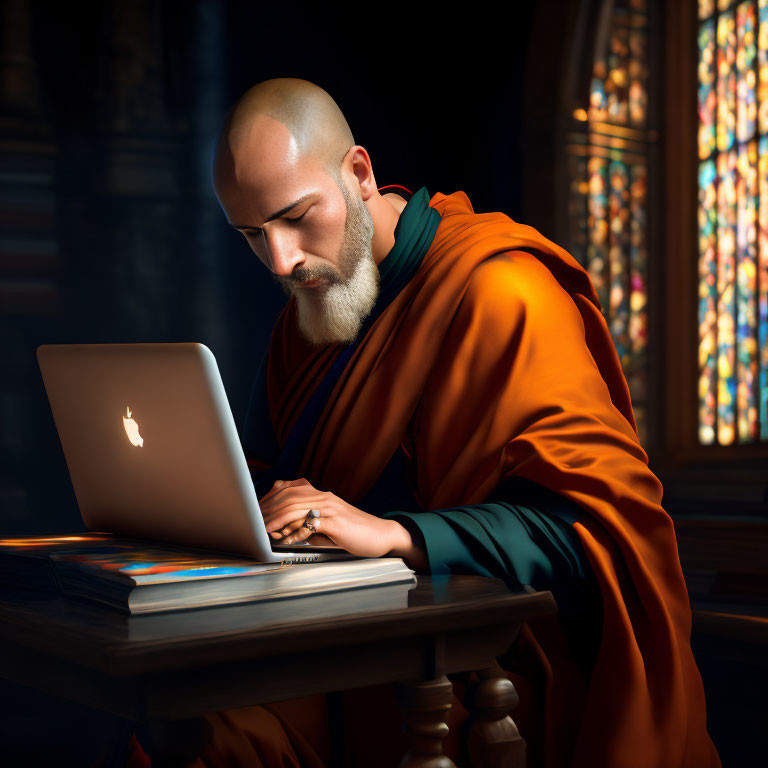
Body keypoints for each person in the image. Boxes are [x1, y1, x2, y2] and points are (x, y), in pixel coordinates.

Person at [132, 76, 719, 768]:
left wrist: (393, 534)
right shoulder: (308, 316)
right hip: (323, 640)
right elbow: (265, 478)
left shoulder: (503, 292)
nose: (281, 260)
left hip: (477, 662)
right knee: (175, 725)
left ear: (358, 173)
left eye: (295, 216)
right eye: (253, 235)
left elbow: (587, 531)